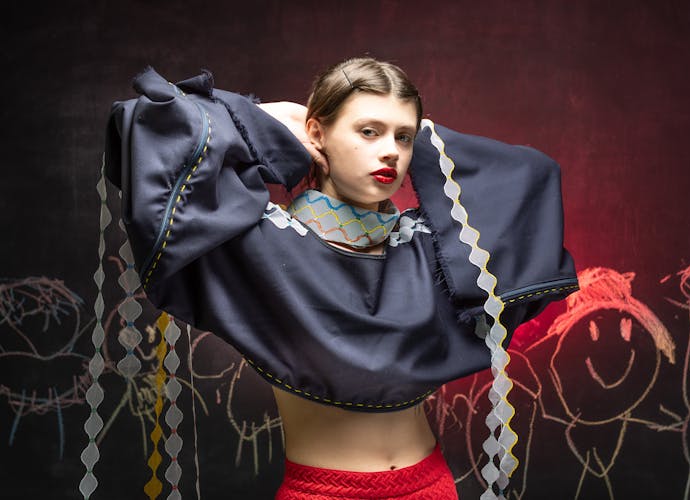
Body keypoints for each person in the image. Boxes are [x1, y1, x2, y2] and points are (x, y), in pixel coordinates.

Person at [104, 57, 579, 499]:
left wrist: (426, 139)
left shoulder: (426, 249)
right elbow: (150, 129)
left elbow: (529, 177)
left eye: (403, 137)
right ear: (316, 132)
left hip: (431, 485)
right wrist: (269, 119)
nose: (390, 152)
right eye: (369, 131)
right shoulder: (259, 243)